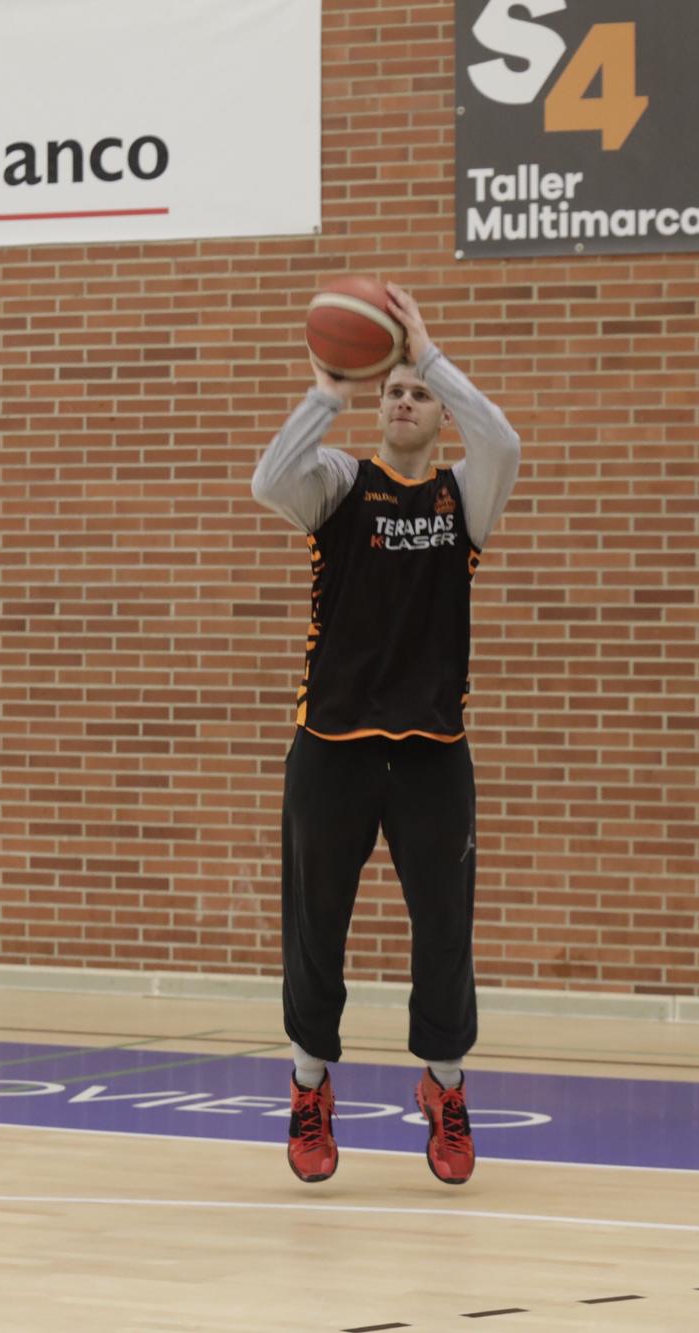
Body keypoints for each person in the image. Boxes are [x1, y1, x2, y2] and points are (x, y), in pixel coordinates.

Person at [249, 284, 521, 1186]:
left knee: (446, 931)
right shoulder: (336, 482)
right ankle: (308, 1086)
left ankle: (444, 1088)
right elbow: (266, 482)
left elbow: (506, 442)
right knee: (314, 929)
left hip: (433, 755)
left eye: (417, 393)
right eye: (391, 391)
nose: (401, 401)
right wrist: (327, 389)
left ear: (440, 410)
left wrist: (428, 351)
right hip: (331, 747)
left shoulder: (464, 500)